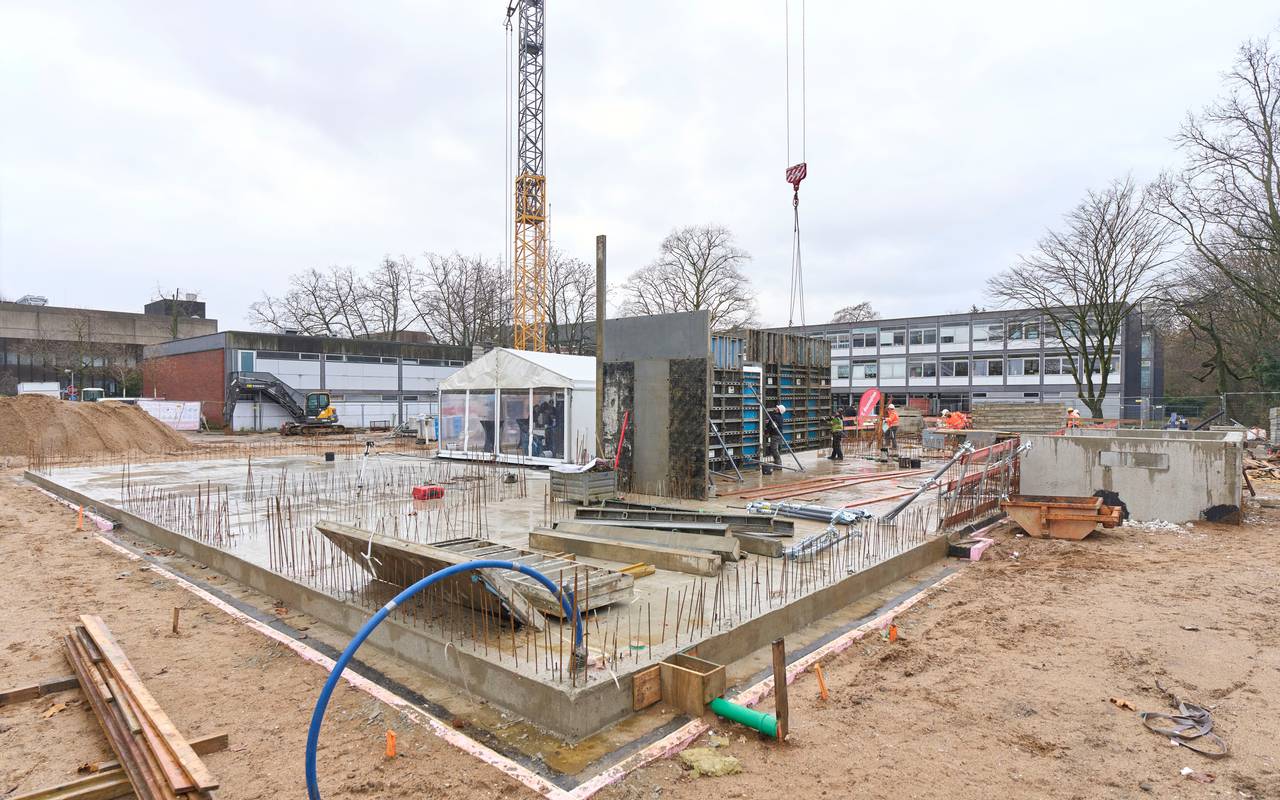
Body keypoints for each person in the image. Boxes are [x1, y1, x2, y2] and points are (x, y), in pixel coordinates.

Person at [762, 403, 786, 474]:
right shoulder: (779, 417)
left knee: (774, 450)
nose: (775, 408)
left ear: (778, 410)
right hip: (779, 435)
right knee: (776, 449)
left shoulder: (775, 417)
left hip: (775, 435)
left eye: (776, 408)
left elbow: (771, 426)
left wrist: (766, 432)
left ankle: (778, 465)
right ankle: (777, 464)